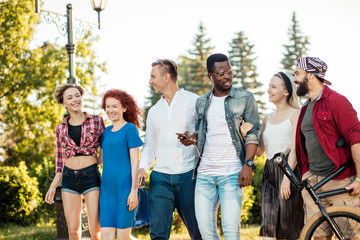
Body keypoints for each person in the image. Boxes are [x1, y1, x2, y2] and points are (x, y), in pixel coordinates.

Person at [180, 53, 260, 240]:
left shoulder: (245, 98)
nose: (227, 76)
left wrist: (248, 165)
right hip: (205, 175)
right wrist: (191, 138)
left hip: (231, 174)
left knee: (231, 232)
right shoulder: (202, 102)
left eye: (229, 71)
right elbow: (205, 132)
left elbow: (253, 134)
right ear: (211, 76)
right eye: (221, 72)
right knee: (207, 233)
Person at [293, 57, 360, 239]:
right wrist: (306, 175)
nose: (294, 79)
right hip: (314, 183)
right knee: (317, 236)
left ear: (311, 75)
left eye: (297, 73)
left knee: (350, 236)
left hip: (340, 181)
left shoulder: (337, 101)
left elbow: (356, 139)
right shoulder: (306, 108)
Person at [136, 59, 201, 240]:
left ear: (166, 77)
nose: (150, 81)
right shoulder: (154, 111)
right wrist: (143, 167)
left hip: (189, 176)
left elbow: (205, 131)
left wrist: (194, 137)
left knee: (198, 231)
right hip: (160, 178)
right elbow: (150, 144)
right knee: (157, 235)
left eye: (153, 76)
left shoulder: (194, 101)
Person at [240, 72, 304, 240]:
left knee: (290, 227)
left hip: (289, 172)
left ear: (286, 92)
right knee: (269, 227)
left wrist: (287, 179)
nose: (268, 90)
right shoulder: (267, 118)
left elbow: (295, 149)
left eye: (273, 87)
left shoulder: (296, 114)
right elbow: (260, 151)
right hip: (269, 173)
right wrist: (246, 135)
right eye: (269, 86)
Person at [45, 84, 105, 240]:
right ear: (64, 103)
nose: (75, 99)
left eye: (77, 95)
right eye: (69, 97)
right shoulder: (60, 128)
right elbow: (60, 162)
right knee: (73, 231)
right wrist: (53, 187)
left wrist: (99, 160)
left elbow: (107, 145)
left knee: (95, 230)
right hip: (69, 177)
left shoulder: (97, 121)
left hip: (91, 176)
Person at [98, 89, 143, 240]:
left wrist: (134, 191)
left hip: (125, 189)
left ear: (124, 108)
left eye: (114, 106)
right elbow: (100, 160)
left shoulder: (130, 129)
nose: (110, 110)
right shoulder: (106, 132)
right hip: (107, 190)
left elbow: (135, 161)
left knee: (124, 237)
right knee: (106, 236)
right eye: (108, 106)